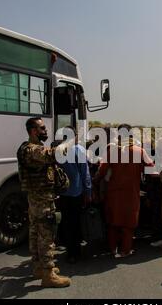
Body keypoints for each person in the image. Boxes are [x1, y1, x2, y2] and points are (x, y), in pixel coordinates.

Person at [17, 117, 71, 288]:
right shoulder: (31, 149)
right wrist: (67, 143)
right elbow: (53, 155)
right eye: (42, 128)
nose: (45, 131)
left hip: (36, 199)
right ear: (33, 131)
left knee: (35, 234)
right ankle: (48, 274)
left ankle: (39, 267)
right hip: (42, 200)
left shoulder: (30, 148)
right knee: (47, 235)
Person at [94, 124, 153, 258]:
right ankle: (125, 251)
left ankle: (112, 250)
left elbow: (101, 171)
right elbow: (152, 170)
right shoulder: (140, 151)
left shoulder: (112, 151)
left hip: (113, 193)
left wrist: (94, 183)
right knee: (128, 224)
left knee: (112, 223)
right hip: (131, 193)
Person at [56, 126, 92, 264]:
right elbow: (85, 174)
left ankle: (69, 250)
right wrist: (88, 192)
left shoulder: (58, 150)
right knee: (76, 222)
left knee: (66, 221)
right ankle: (75, 252)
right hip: (76, 192)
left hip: (63, 192)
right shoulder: (79, 150)